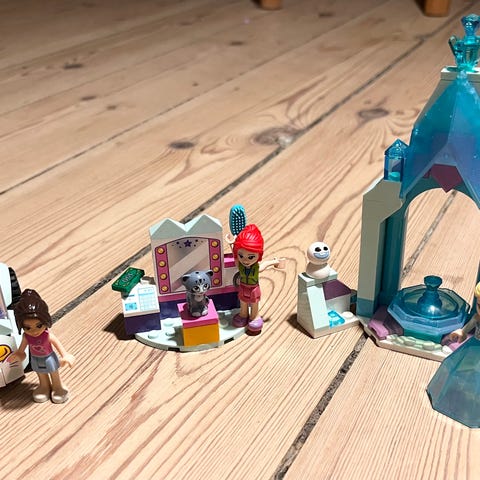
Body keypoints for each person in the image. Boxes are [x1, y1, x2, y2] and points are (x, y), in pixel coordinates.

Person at [8, 289, 74, 403]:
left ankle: (58, 386)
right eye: (28, 328)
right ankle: (44, 386)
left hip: (49, 357)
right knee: (41, 374)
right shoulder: (26, 337)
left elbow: (59, 347)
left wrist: (65, 355)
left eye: (39, 326)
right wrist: (18, 355)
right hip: (35, 358)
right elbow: (21, 350)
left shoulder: (48, 336)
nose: (34, 331)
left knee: (54, 373)